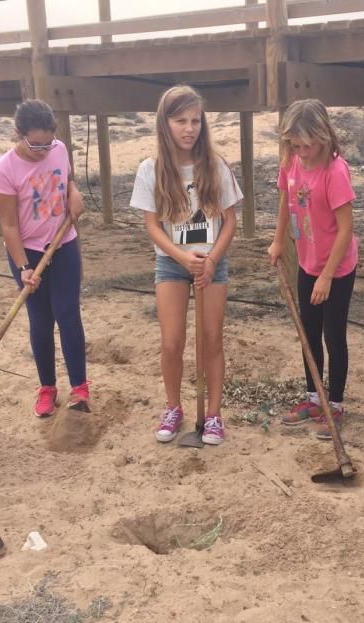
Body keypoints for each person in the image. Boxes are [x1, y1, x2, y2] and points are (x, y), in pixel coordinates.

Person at [130, 85, 242, 445]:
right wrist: (181, 257)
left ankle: (213, 414)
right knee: (172, 341)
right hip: (171, 265)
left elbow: (230, 221)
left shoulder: (217, 166)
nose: (189, 128)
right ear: (165, 124)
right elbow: (151, 226)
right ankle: (173, 406)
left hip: (213, 263)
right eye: (181, 121)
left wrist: (211, 260)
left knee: (211, 340)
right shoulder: (151, 169)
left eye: (195, 120)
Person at [267, 99, 358, 440]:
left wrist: (327, 276)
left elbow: (345, 228)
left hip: (337, 266)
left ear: (323, 137)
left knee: (334, 336)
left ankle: (335, 403)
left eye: (307, 146)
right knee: (309, 333)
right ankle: (313, 398)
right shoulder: (291, 162)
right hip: (307, 261)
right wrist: (278, 242)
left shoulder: (335, 171)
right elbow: (284, 201)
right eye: (295, 146)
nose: (302, 153)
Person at [0, 99, 87, 417]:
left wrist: (73, 193)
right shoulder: (5, 169)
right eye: (35, 145)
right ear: (18, 134)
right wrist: (24, 268)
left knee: (68, 314)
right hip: (28, 251)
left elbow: (66, 178)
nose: (43, 151)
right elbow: (8, 225)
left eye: (48, 144)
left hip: (64, 246)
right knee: (41, 321)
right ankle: (47, 389)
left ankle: (80, 389)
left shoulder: (58, 149)